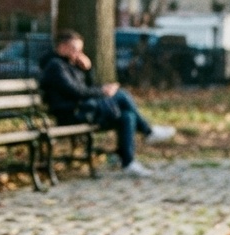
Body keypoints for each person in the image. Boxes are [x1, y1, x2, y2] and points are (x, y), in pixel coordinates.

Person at [39, 30, 174, 178]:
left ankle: (128, 163)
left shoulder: (71, 64)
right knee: (121, 96)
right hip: (71, 113)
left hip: (85, 109)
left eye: (80, 49)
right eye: (74, 49)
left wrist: (88, 70)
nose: (78, 53)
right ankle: (148, 132)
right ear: (62, 48)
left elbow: (87, 87)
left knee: (127, 116)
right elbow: (76, 92)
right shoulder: (55, 66)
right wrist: (103, 91)